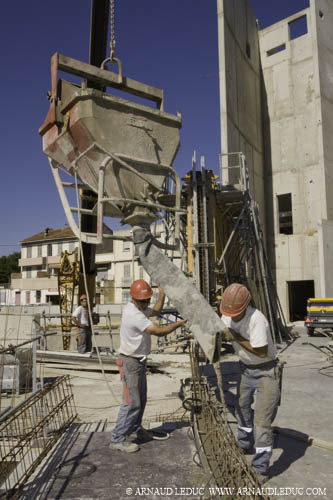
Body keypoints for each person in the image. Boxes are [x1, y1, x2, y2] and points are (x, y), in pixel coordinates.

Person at [110, 279, 186, 453]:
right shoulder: (134, 314)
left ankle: (136, 430)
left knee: (141, 400)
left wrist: (162, 294)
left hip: (139, 361)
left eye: (147, 300)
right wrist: (180, 324)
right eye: (144, 301)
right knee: (131, 402)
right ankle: (117, 438)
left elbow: (157, 310)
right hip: (130, 362)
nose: (146, 304)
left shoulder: (140, 309)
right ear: (135, 299)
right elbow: (158, 331)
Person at [220, 283, 280, 482]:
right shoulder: (227, 313)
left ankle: (260, 467)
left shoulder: (257, 320)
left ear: (244, 307)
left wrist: (235, 337)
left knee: (262, 421)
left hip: (266, 370)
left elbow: (261, 351)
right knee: (242, 407)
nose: (233, 317)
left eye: (237, 313)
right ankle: (245, 442)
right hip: (245, 368)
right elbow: (220, 331)